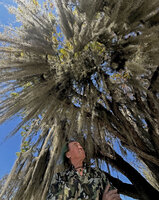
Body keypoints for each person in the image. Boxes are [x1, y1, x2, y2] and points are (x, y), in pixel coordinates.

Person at [47, 141, 121, 200]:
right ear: (68, 154)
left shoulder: (98, 174)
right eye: (76, 145)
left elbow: (115, 196)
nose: (80, 147)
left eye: (80, 145)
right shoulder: (59, 178)